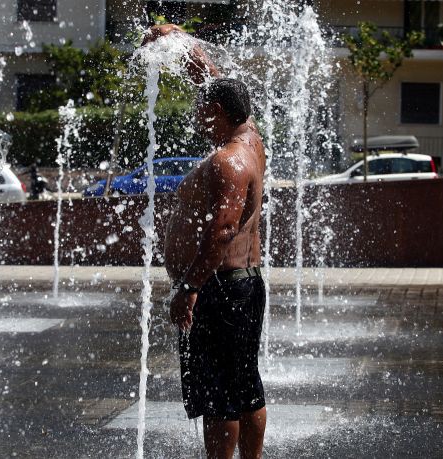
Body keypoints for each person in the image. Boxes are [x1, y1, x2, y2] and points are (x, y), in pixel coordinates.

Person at [144, 24, 268, 459]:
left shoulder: (228, 160)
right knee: (245, 384)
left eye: (201, 109)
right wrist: (181, 44)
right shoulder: (250, 140)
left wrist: (189, 289)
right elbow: (216, 84)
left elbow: (221, 231)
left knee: (220, 395)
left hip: (218, 288)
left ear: (217, 111)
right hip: (240, 283)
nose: (195, 116)